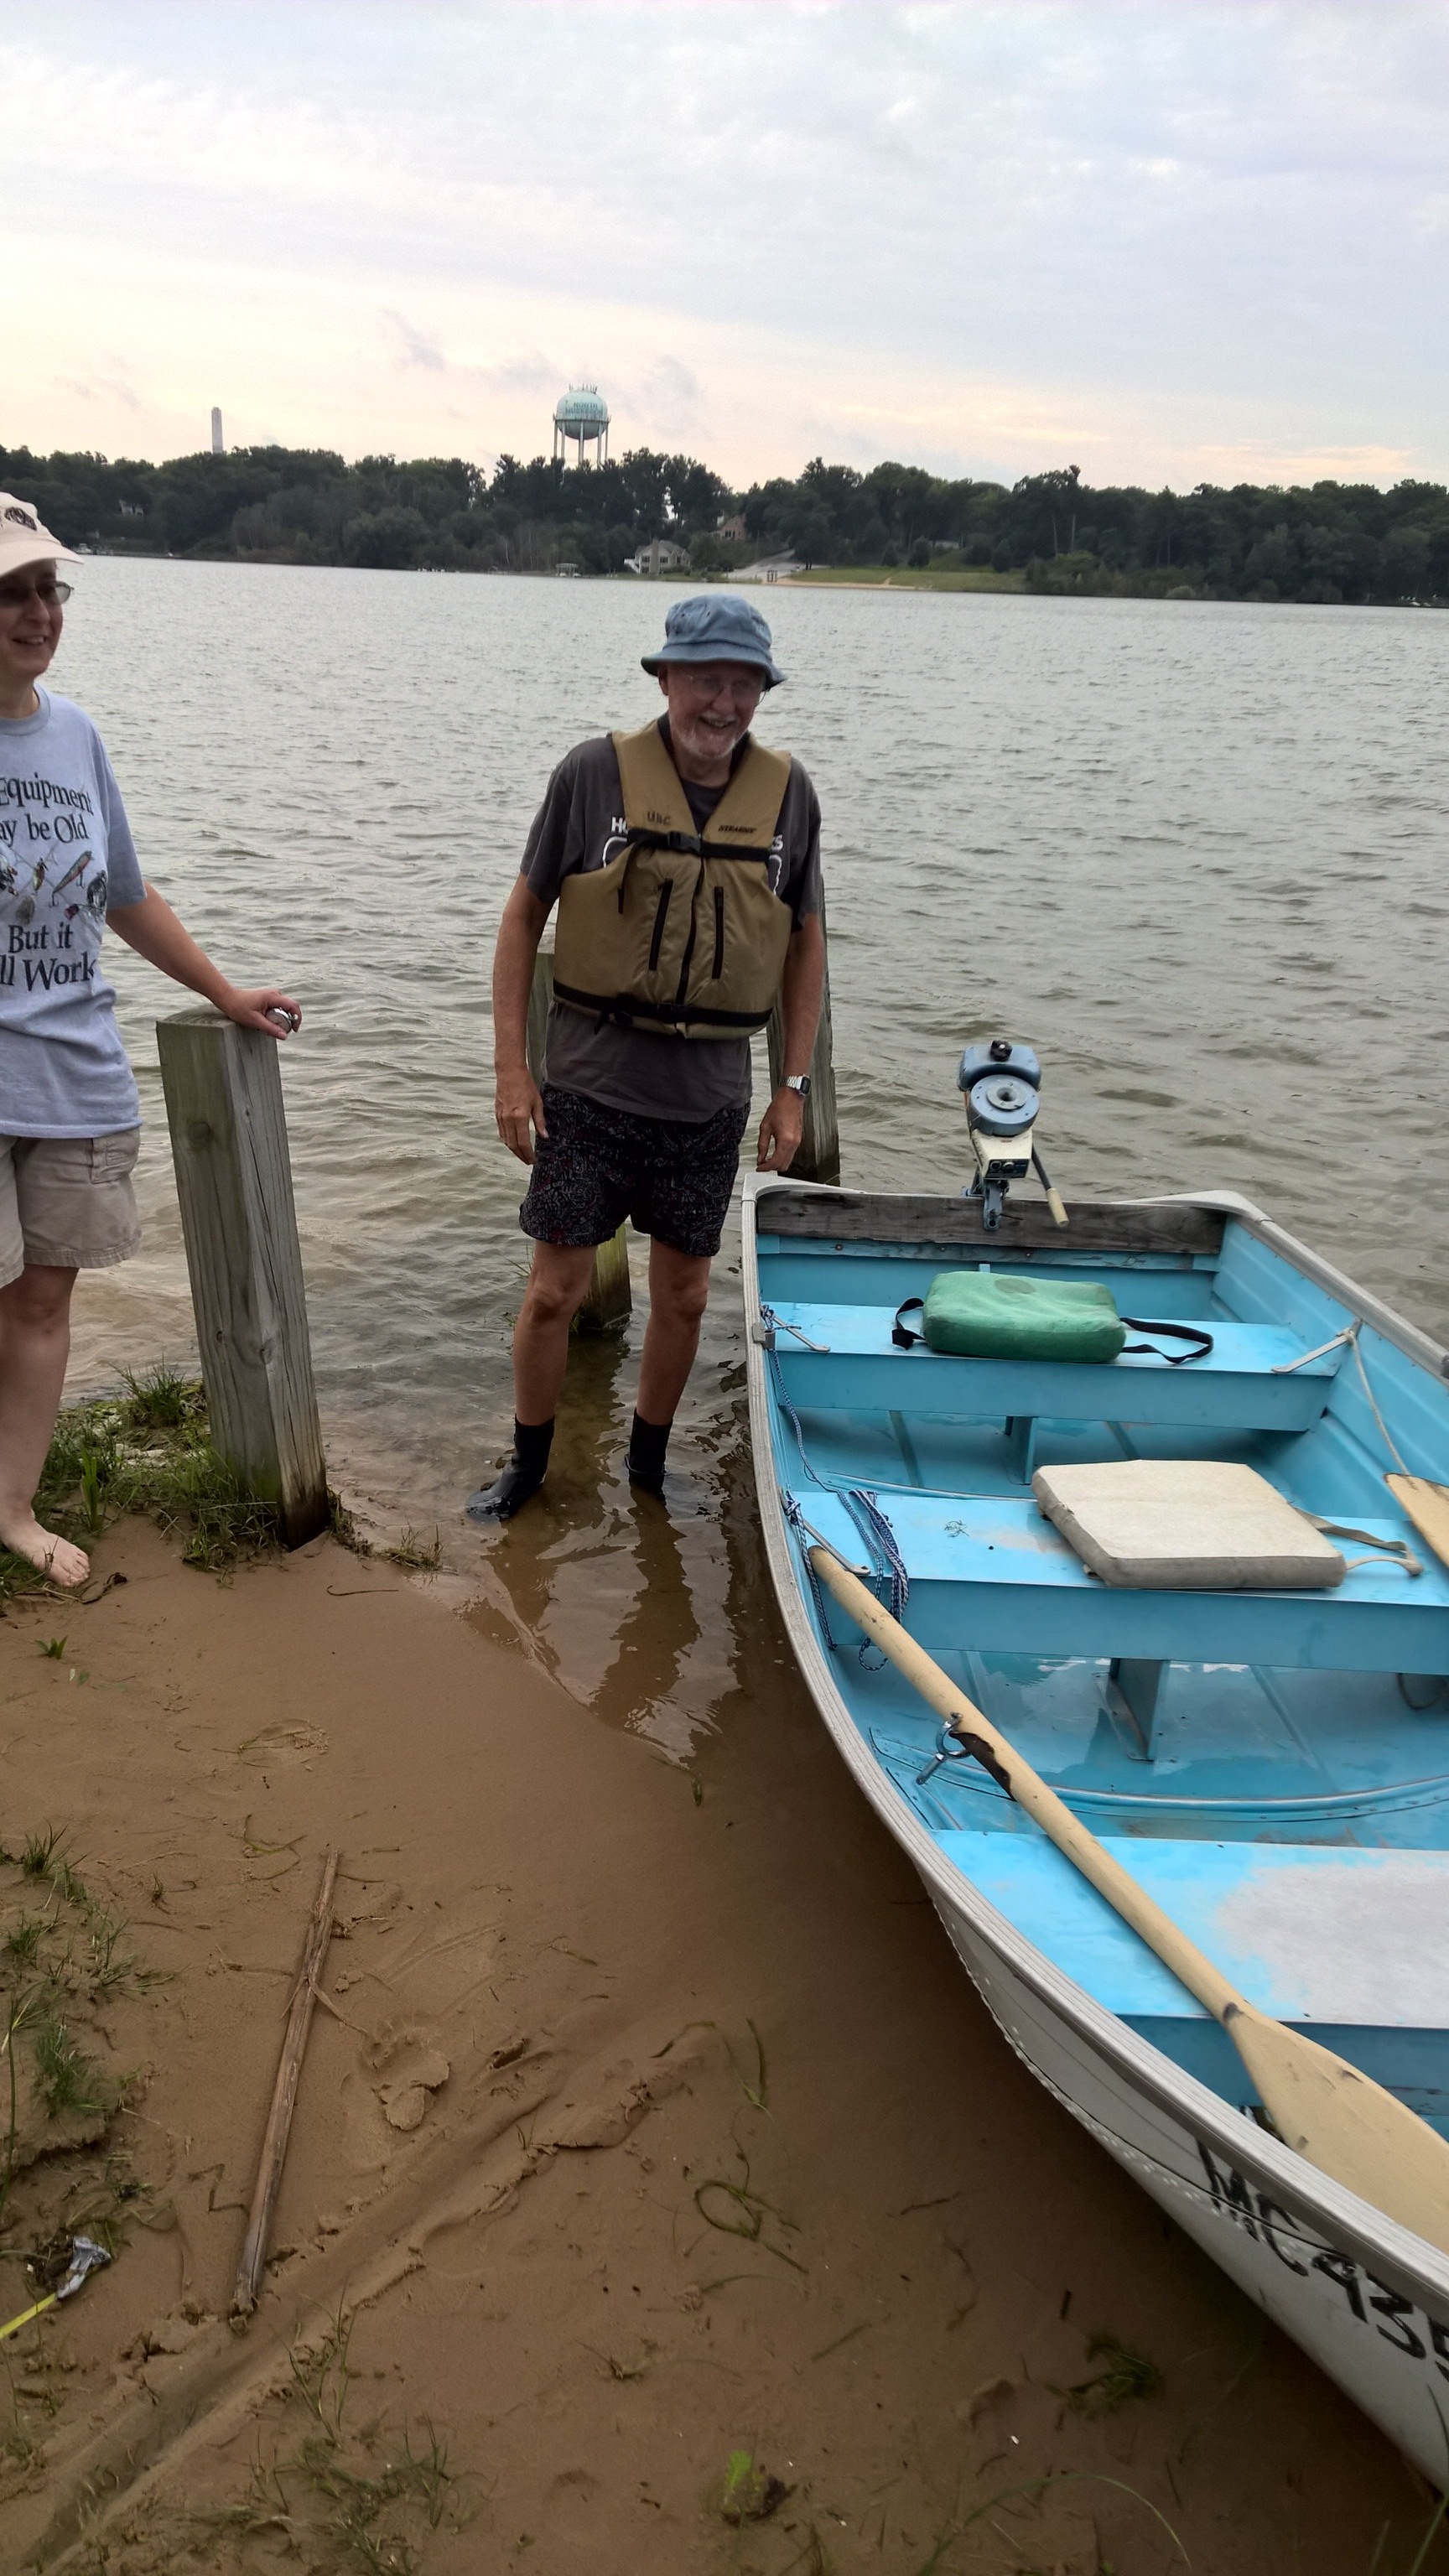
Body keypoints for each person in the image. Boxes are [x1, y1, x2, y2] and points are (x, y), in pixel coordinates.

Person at [0, 495, 301, 1588]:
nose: (39, 613)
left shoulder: (75, 736)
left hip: (73, 1076)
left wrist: (223, 991)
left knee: (41, 1302)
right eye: (12, 593)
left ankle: (12, 1510)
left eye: (50, 590)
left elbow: (124, 893)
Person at [470, 593, 824, 1520]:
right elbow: (522, 917)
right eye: (706, 679)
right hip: (588, 1092)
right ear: (665, 678)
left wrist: (792, 1090)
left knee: (687, 1297)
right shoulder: (592, 775)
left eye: (745, 684)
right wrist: (512, 1070)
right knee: (554, 1293)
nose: (724, 703)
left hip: (708, 1103)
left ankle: (648, 1465)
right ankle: (528, 1465)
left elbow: (805, 943)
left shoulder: (790, 796)